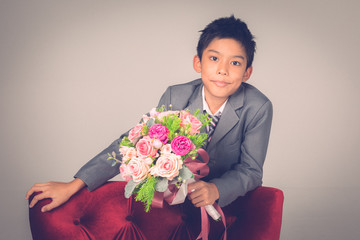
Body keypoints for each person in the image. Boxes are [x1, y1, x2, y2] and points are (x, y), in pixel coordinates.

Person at [26, 15, 272, 212]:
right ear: (198, 63)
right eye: (214, 58)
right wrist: (74, 185)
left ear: (247, 72)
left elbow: (251, 171)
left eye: (235, 63)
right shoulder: (177, 96)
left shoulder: (257, 107)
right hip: (174, 202)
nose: (222, 70)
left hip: (225, 203)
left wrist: (217, 189)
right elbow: (133, 143)